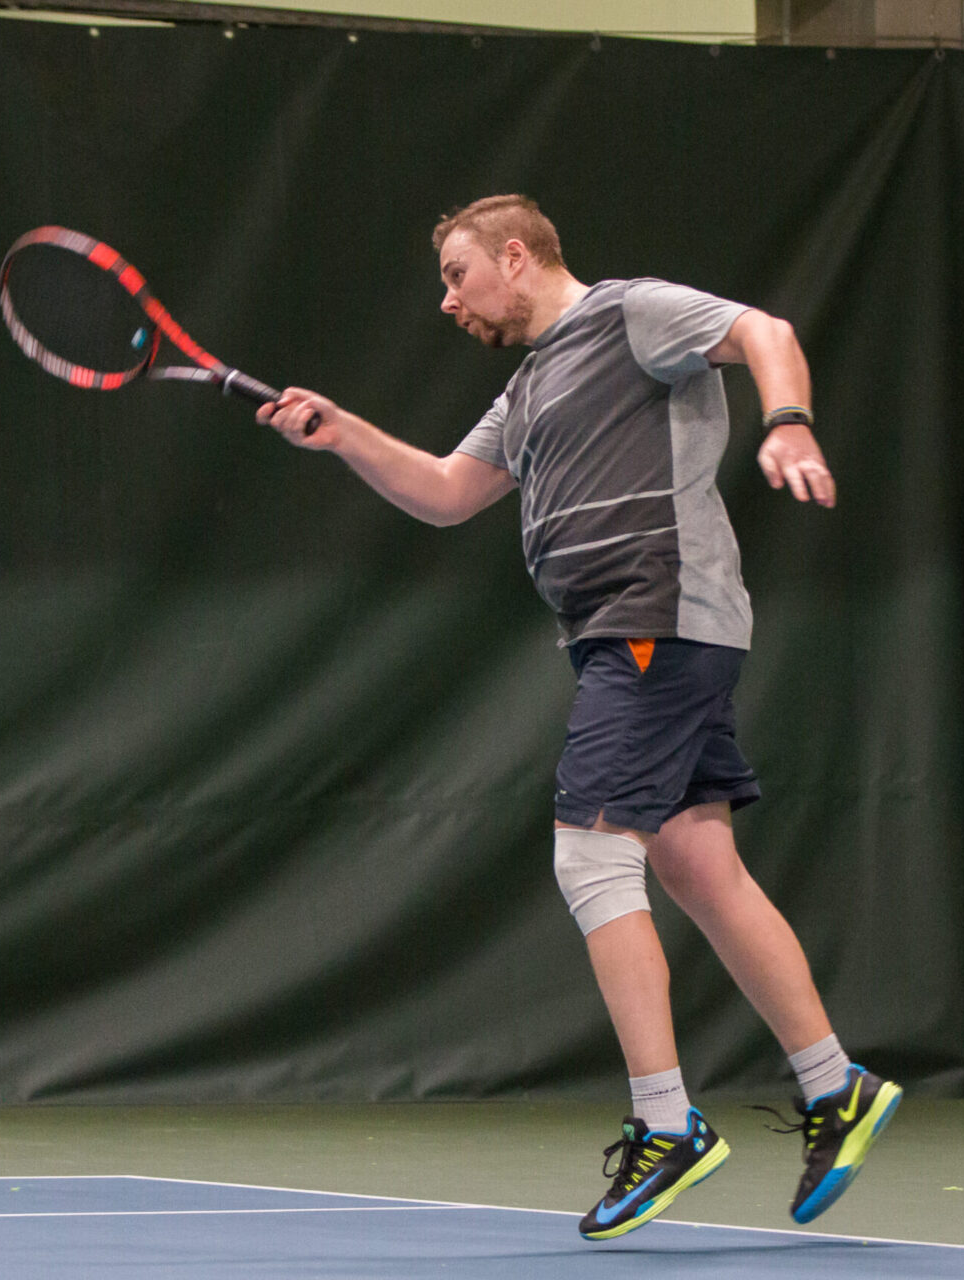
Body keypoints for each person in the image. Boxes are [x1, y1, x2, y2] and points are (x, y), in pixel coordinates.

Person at [258, 194, 900, 1240]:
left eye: (458, 274)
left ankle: (666, 1122)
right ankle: (839, 1087)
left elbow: (766, 332)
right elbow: (448, 491)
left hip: (657, 616)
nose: (448, 300)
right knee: (698, 864)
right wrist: (344, 434)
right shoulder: (525, 389)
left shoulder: (629, 314)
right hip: (629, 633)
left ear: (515, 256)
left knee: (590, 857)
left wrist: (787, 421)